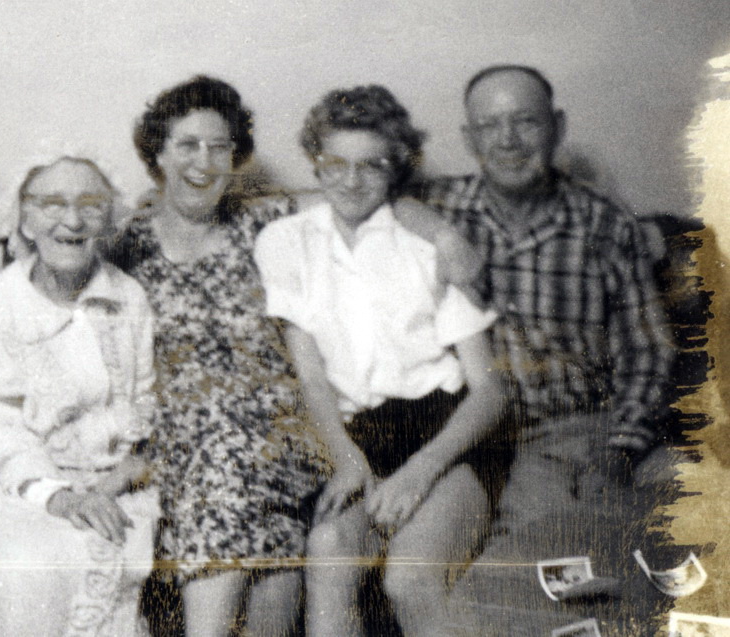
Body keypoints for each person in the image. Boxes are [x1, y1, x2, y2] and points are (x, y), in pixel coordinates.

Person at [109, 75, 473, 637]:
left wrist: (445, 235)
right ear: (157, 153)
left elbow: (367, 196)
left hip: (285, 431)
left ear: (236, 157)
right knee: (226, 468)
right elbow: (47, 268)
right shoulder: (126, 241)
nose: (203, 161)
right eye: (187, 145)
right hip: (189, 436)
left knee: (239, 477)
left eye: (219, 146)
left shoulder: (266, 220)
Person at [422, 65, 676, 632]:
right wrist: (437, 232)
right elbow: (357, 192)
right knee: (529, 590)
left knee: (695, 534)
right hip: (499, 442)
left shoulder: (603, 223)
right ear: (468, 139)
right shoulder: (440, 208)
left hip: (595, 426)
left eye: (526, 122)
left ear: (557, 127)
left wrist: (621, 447)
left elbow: (646, 350)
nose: (508, 140)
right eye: (490, 126)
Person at [254, 85, 505, 637]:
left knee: (409, 580)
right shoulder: (285, 241)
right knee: (328, 546)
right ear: (315, 163)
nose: (351, 180)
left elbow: (491, 392)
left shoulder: (428, 245)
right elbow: (311, 375)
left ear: (396, 168)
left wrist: (419, 473)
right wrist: (346, 458)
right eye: (335, 163)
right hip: (359, 436)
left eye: (371, 165)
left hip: (444, 436)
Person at [0, 157, 158, 636]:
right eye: (52, 204)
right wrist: (57, 495)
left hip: (115, 483)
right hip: (23, 484)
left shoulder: (129, 296)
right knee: (31, 571)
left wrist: (118, 478)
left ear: (108, 219)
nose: (72, 220)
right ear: (25, 219)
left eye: (90, 204)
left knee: (110, 563)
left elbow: (143, 401)